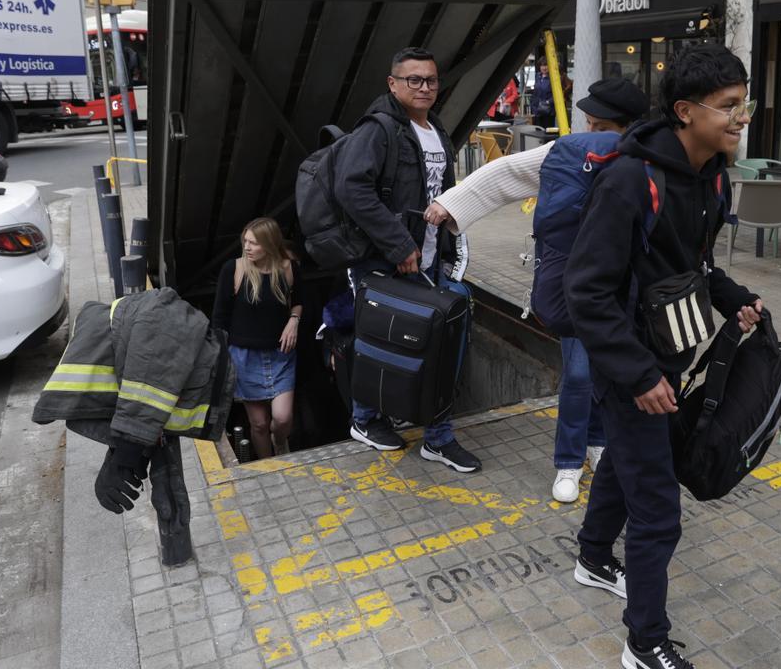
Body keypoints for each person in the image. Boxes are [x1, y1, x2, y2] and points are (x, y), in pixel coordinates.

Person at [564, 44, 763, 669]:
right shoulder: (630, 180)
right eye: (728, 107)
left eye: (743, 103)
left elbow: (692, 267)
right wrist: (638, 374)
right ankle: (644, 642)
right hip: (631, 368)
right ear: (685, 111)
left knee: (628, 470)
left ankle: (594, 557)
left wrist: (736, 298)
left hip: (673, 358)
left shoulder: (713, 175)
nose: (741, 118)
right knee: (659, 513)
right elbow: (586, 291)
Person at [424, 78, 650, 503]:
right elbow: (507, 172)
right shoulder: (571, 150)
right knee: (580, 374)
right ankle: (568, 462)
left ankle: (596, 443)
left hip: (627, 285)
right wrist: (452, 205)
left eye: (597, 118)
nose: (587, 122)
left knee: (606, 373)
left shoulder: (651, 156)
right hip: (579, 285)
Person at [332, 46, 481, 473]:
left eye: (431, 80)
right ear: (392, 83)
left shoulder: (436, 129)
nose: (424, 87)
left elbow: (442, 195)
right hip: (384, 261)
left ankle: (381, 422)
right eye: (413, 79)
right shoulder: (378, 130)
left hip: (429, 261)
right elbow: (351, 189)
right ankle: (422, 434)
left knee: (412, 344)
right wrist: (399, 246)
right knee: (389, 343)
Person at [212, 217, 303, 459]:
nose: (247, 247)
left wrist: (293, 321)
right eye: (245, 242)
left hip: (281, 355)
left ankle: (280, 442)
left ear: (270, 244)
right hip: (244, 357)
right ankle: (267, 466)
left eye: (254, 243)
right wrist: (221, 358)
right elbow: (219, 318)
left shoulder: (288, 268)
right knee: (260, 423)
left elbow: (299, 301)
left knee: (283, 418)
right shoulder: (234, 269)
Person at [533, 62, 556, 129]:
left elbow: (556, 94)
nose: (544, 68)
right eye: (542, 65)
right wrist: (533, 105)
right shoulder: (538, 76)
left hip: (548, 110)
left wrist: (548, 102)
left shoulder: (553, 77)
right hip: (537, 110)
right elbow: (535, 92)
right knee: (538, 131)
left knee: (548, 131)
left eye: (546, 65)